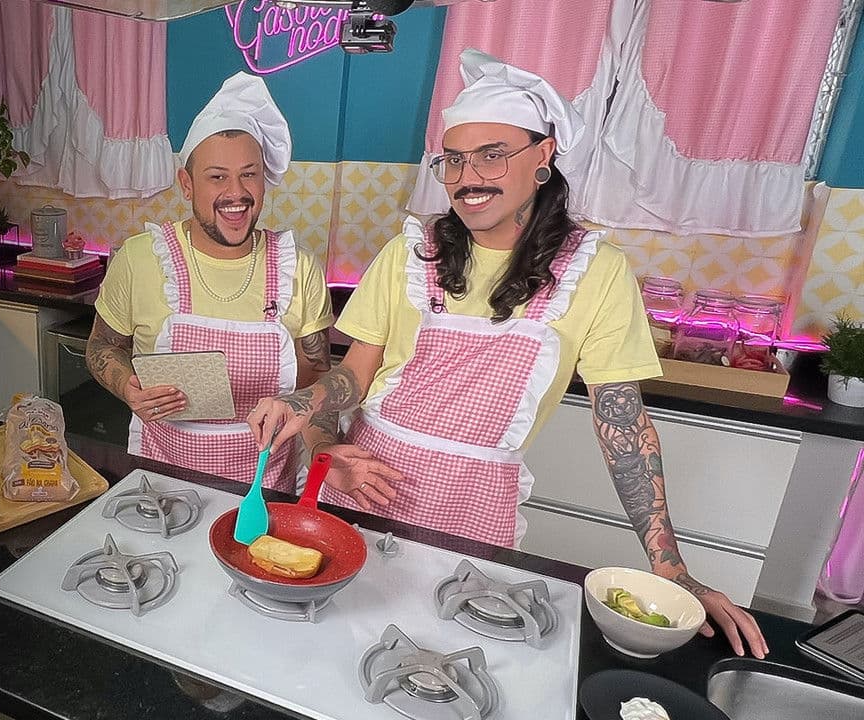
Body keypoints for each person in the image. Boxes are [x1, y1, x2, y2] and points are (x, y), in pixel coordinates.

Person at [247, 50, 767, 658]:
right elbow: (355, 374)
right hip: (365, 483)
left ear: (544, 155)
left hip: (475, 504)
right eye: (454, 159)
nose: (468, 178)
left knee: (445, 654)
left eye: (492, 154)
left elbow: (623, 425)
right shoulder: (410, 253)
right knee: (327, 641)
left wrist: (671, 569)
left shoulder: (595, 273)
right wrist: (305, 402)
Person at [87, 72, 334, 491]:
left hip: (264, 487)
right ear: (187, 184)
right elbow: (101, 347)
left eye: (249, 174)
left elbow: (316, 386)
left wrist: (325, 453)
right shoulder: (140, 259)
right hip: (162, 483)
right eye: (217, 176)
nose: (236, 193)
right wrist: (128, 386)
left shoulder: (299, 268)